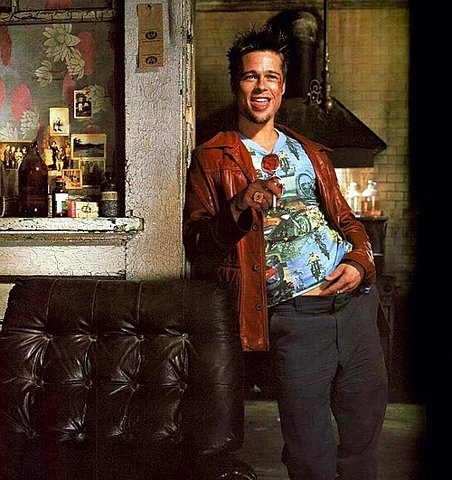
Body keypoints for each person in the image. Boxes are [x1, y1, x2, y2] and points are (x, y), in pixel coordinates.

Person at [183, 24, 388, 480]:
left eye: (271, 77)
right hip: (295, 320)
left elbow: (347, 221)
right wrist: (239, 206)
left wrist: (360, 263)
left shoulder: (310, 151)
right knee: (309, 451)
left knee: (362, 443)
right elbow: (198, 248)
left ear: (281, 86)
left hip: (356, 307)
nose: (261, 86)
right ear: (237, 84)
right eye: (251, 76)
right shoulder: (213, 157)